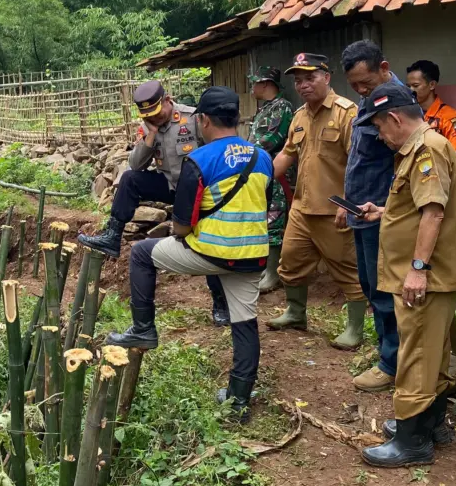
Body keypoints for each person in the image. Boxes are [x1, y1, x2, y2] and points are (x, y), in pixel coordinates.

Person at [106, 86, 273, 421]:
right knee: (245, 325)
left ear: (204, 120)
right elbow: (264, 202)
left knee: (140, 253)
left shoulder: (199, 160)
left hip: (212, 253)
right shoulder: (262, 157)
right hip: (253, 255)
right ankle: (239, 402)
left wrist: (182, 233)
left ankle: (143, 328)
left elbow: (182, 225)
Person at [354, 80, 456, 467]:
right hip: (430, 276)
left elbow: (433, 212)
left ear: (395, 118)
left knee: (416, 354)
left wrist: (418, 270)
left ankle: (411, 441)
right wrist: (385, 213)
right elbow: (420, 209)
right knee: (432, 354)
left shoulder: (426, 150)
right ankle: (430, 424)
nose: (380, 136)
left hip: (424, 279)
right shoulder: (422, 149)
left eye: (380, 127)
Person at [78, 80, 232, 326]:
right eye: (149, 115)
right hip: (171, 187)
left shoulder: (193, 118)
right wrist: (150, 135)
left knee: (207, 243)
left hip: (198, 191)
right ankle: (113, 236)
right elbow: (136, 164)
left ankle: (221, 303)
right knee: (130, 179)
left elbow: (215, 153)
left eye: (158, 112)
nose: (155, 118)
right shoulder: (149, 126)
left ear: (168, 100)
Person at [268, 54, 367, 340]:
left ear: (326, 77)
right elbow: (287, 154)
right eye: (298, 81)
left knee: (348, 268)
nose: (303, 85)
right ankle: (295, 313)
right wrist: (259, 181)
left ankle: (355, 328)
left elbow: (359, 164)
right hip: (301, 207)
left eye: (310, 78)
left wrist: (349, 205)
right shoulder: (299, 116)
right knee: (290, 262)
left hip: (334, 209)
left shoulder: (346, 113)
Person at [339, 41, 401, 390]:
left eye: (366, 82)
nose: (361, 91)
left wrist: (389, 209)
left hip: (382, 213)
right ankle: (385, 350)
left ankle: (391, 363)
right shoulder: (370, 99)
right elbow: (360, 159)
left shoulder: (396, 101)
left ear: (383, 66)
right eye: (355, 86)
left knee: (384, 288)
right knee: (370, 285)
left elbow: (402, 160)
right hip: (362, 210)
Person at [242, 65, 295, 292]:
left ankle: (274, 273)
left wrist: (244, 153)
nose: (252, 87)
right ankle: (266, 268)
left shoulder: (283, 108)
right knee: (263, 218)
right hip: (260, 171)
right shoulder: (265, 109)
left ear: (265, 84)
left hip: (276, 172)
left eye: (255, 83)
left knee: (274, 220)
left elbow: (271, 140)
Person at [406, 60, 456, 188]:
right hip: (411, 181)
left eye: (416, 85)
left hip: (439, 182)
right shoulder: (407, 115)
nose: (411, 90)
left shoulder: (448, 116)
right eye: (408, 86)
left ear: (432, 85)